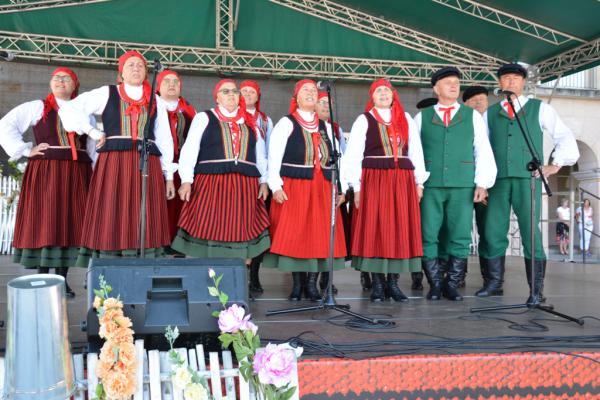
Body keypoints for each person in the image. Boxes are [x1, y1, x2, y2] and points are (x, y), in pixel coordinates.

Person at [59, 50, 176, 266]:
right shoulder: (107, 92)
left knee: (144, 211)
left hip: (146, 160)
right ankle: (109, 263)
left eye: (140, 65)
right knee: (113, 208)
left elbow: (165, 138)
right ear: (121, 72)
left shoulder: (155, 100)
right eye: (130, 65)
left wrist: (169, 175)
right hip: (115, 161)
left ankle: (143, 264)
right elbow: (68, 109)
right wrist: (93, 132)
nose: (136, 68)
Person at [477, 63, 579, 305]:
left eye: (515, 78)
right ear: (499, 83)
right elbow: (480, 150)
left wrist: (555, 164)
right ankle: (493, 283)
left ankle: (536, 289)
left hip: (528, 181)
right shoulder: (488, 114)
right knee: (493, 230)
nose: (511, 82)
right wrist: (481, 182)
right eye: (506, 78)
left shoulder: (539, 109)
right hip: (497, 181)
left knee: (530, 232)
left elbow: (564, 136)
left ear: (523, 82)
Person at [0, 67, 95, 297]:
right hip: (47, 171)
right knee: (46, 219)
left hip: (77, 173)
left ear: (75, 86)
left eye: (66, 79)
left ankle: (62, 280)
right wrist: (25, 149)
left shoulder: (85, 111)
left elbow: (92, 147)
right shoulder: (37, 107)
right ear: (51, 84)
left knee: (71, 222)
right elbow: (5, 125)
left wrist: (94, 172)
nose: (60, 81)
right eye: (56, 78)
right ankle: (43, 278)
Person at [414, 66, 497, 301]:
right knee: (428, 234)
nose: (454, 86)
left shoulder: (472, 116)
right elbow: (416, 153)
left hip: (463, 184)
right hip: (431, 185)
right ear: (436, 88)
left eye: (456, 82)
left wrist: (483, 183)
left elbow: (482, 149)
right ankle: (435, 283)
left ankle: (452, 283)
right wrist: (418, 182)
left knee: (460, 234)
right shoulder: (422, 117)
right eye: (448, 82)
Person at [341, 78, 427, 302]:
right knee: (377, 228)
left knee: (398, 228)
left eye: (387, 90)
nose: (383, 94)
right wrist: (356, 187)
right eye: (378, 91)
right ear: (372, 96)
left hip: (402, 181)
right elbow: (353, 156)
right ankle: (378, 283)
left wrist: (419, 182)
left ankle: (393, 283)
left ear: (393, 95)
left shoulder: (406, 118)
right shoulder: (364, 119)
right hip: (374, 180)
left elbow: (416, 152)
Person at [264, 79, 346, 302]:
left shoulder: (326, 126)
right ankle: (297, 283)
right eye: (305, 90)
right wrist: (275, 185)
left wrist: (341, 187)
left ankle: (311, 283)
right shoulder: (286, 123)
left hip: (323, 187)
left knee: (319, 235)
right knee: (297, 233)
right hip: (295, 185)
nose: (311, 93)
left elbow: (337, 160)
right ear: (297, 97)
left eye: (313, 90)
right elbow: (274, 156)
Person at [171, 79, 270, 261]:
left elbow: (260, 155)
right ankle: (208, 277)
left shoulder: (250, 122)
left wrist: (263, 181)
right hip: (211, 183)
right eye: (225, 91)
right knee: (210, 224)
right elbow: (190, 149)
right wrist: (186, 180)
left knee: (239, 228)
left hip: (244, 186)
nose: (231, 94)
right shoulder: (205, 117)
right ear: (217, 97)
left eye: (234, 91)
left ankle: (237, 278)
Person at [156, 70, 196, 246]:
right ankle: (156, 242)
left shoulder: (189, 110)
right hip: (155, 162)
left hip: (181, 164)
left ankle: (176, 245)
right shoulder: (151, 106)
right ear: (158, 85)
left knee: (178, 206)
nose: (172, 85)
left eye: (175, 82)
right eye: (167, 81)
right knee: (156, 204)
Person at [240, 79, 273, 294]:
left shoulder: (265, 120)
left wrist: (267, 180)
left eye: (252, 92)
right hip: (239, 177)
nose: (248, 95)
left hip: (259, 178)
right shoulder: (232, 115)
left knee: (257, 226)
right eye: (244, 91)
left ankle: (255, 275)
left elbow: (269, 150)